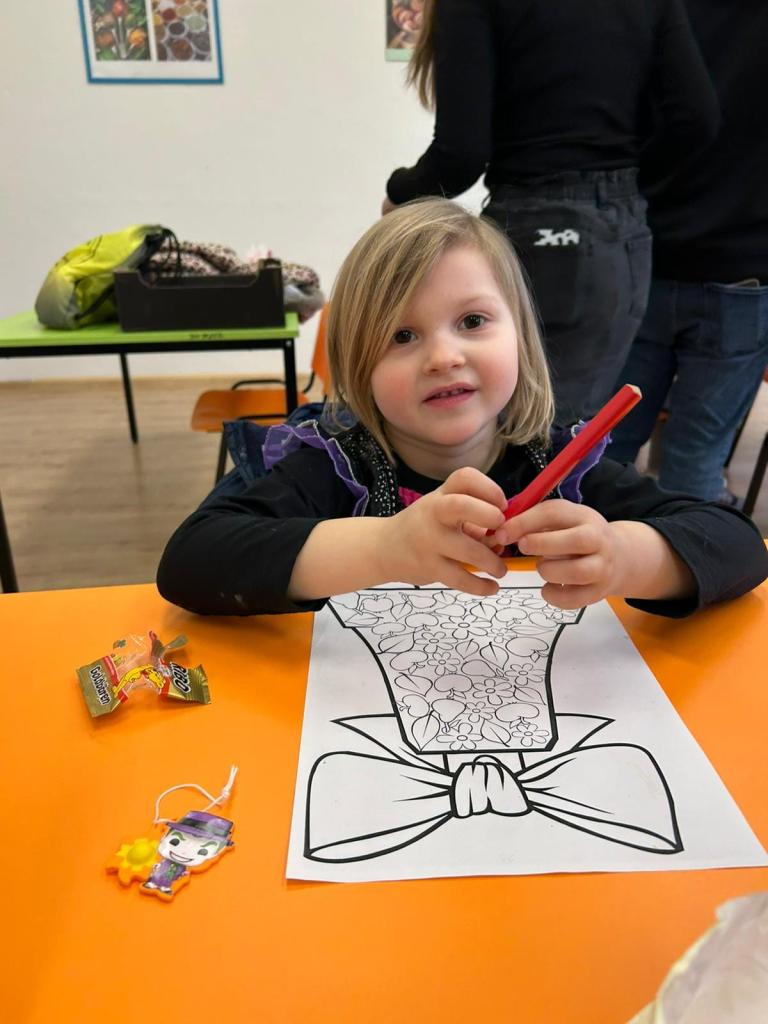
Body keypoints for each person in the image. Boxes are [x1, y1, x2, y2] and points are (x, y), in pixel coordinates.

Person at [156, 200, 768, 618]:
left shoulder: (561, 467)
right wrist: (386, 547)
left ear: (520, 337)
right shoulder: (334, 465)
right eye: (402, 336)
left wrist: (625, 558)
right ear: (357, 366)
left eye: (472, 321)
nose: (444, 357)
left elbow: (738, 545)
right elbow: (191, 562)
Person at [383, 0, 719, 425]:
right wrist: (621, 182)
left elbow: (460, 156)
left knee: (509, 429)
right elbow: (697, 118)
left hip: (529, 221)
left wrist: (399, 193)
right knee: (570, 431)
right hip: (615, 233)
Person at [609, 0, 768, 503]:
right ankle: (687, 553)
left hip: (646, 254)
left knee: (604, 451)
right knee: (695, 464)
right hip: (744, 270)